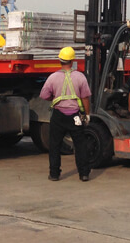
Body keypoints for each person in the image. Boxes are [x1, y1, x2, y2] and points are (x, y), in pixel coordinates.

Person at [39, 46, 92, 182]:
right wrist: (87, 114)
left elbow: (44, 95)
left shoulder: (52, 77)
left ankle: (54, 174)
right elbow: (85, 97)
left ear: (60, 61)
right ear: (72, 60)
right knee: (80, 145)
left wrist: (56, 98)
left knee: (55, 145)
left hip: (58, 115)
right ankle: (84, 174)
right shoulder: (80, 77)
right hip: (75, 115)